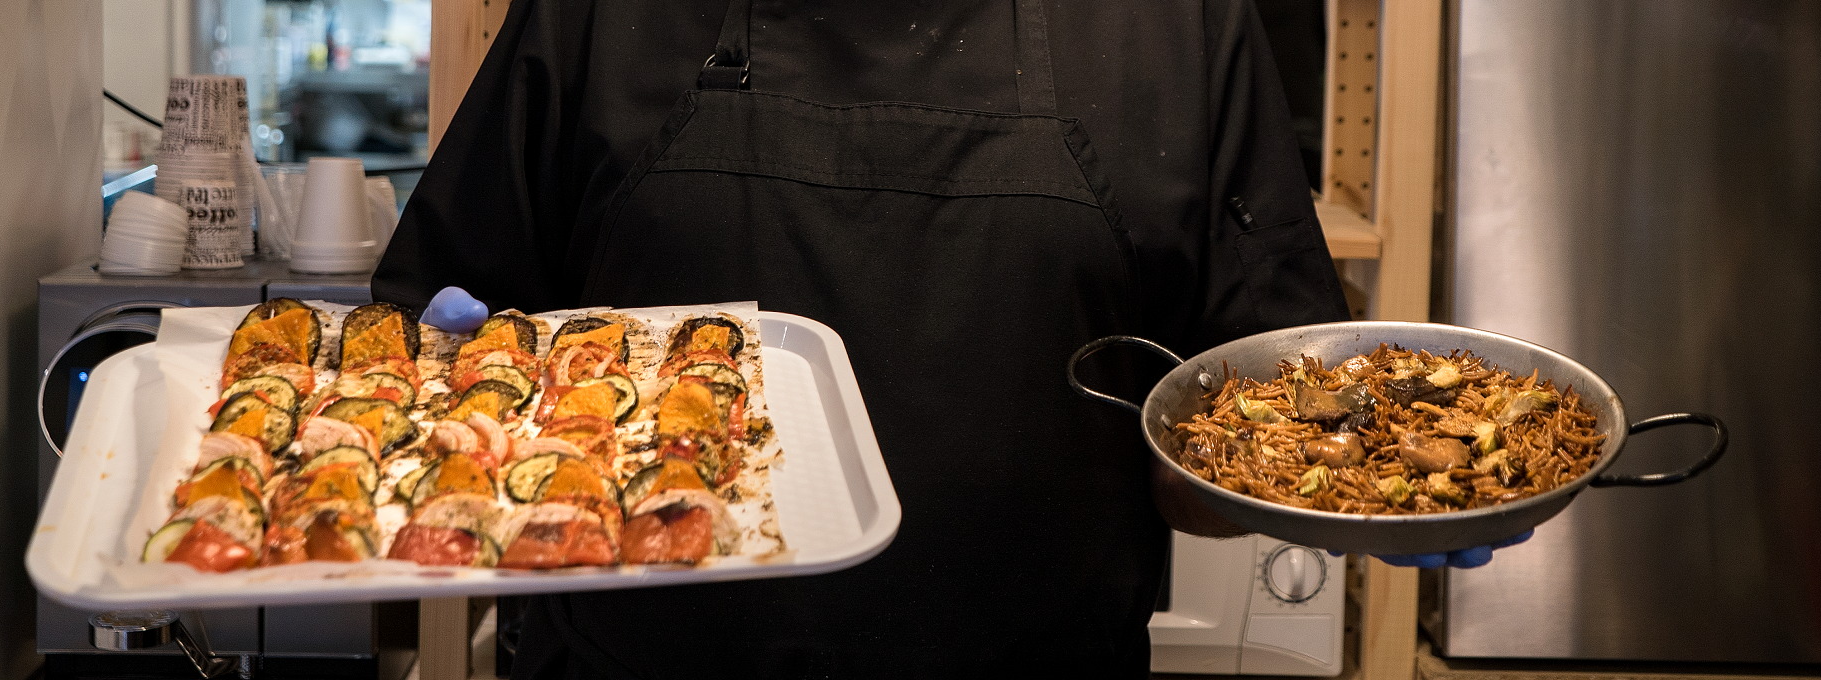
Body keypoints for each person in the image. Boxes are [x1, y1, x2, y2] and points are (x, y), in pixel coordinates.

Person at [377, 1, 1522, 676]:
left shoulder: (1173, 24)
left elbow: (1215, 459)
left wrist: (1344, 490)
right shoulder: (600, 13)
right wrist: (446, 399)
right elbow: (444, 340)